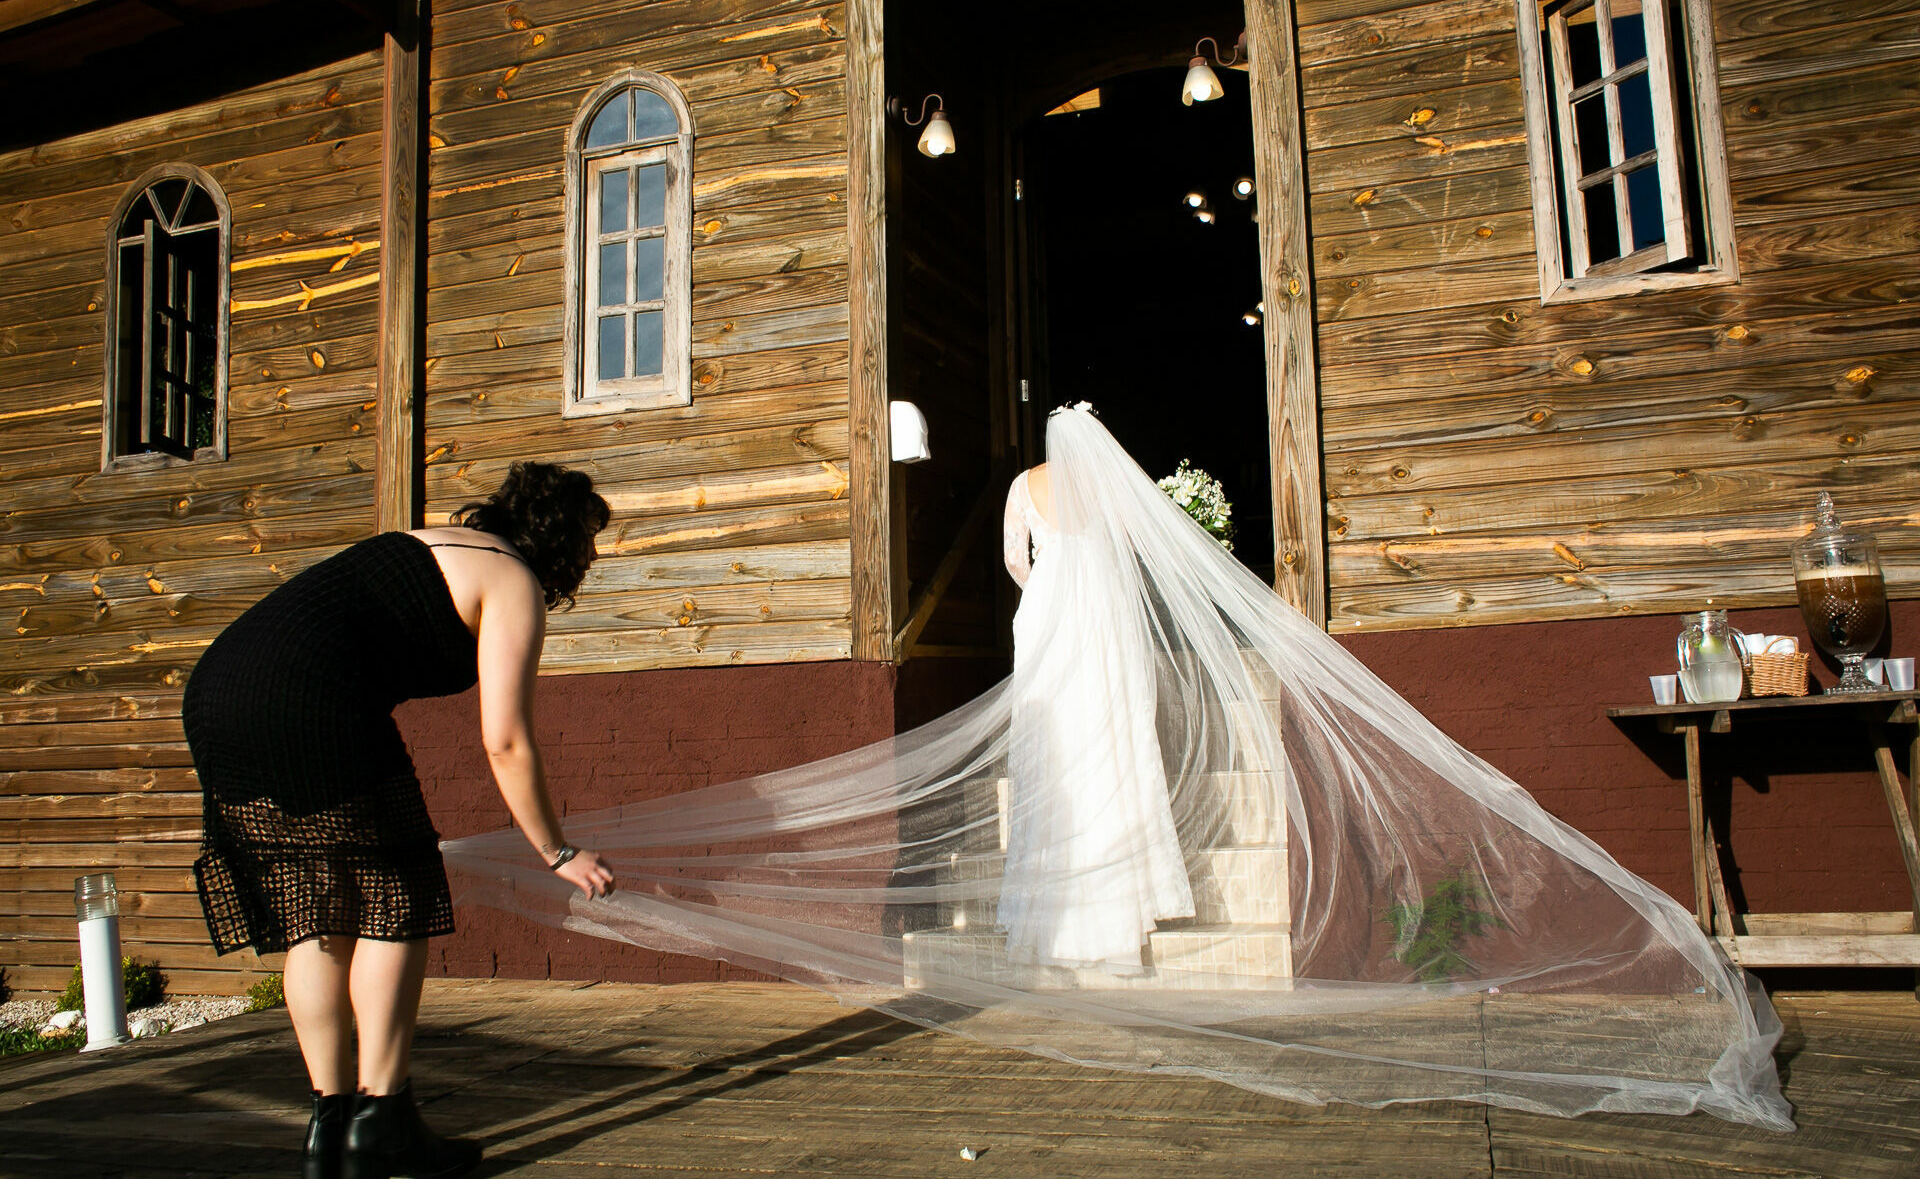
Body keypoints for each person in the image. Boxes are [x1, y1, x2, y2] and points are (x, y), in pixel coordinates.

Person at [442, 409, 1792, 1129]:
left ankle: (1067, 921)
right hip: (1108, 644)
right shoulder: (1122, 493)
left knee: (1062, 770)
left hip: (1049, 643)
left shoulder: (1028, 496)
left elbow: (1025, 577)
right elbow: (1151, 570)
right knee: (1113, 764)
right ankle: (1126, 906)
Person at [184, 462, 617, 1179]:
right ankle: (382, 1119)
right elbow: (504, 739)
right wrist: (555, 849)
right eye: (590, 541)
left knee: (316, 914)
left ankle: (332, 1130)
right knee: (395, 901)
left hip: (219, 694)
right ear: (560, 538)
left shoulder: (434, 540)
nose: (593, 558)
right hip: (309, 707)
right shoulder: (512, 582)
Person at [999, 436, 1195, 972]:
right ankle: (1117, 917)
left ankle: (1052, 922)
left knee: (1053, 742)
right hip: (1104, 610)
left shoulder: (1024, 484)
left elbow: (1015, 559)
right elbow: (1137, 540)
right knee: (1109, 742)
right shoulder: (1105, 482)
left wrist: (1048, 584)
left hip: (1048, 614)